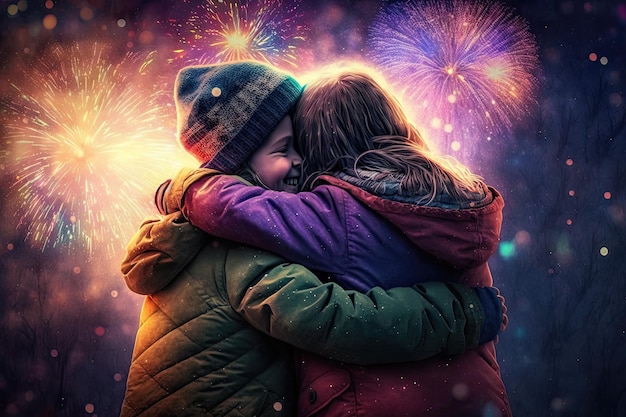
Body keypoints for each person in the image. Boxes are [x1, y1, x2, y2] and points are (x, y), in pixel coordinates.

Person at [120, 61, 506, 417]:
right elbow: (339, 321)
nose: (302, 161)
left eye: (301, 145)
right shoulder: (237, 246)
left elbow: (337, 321)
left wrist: (186, 189)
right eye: (285, 149)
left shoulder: (293, 225)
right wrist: (464, 313)